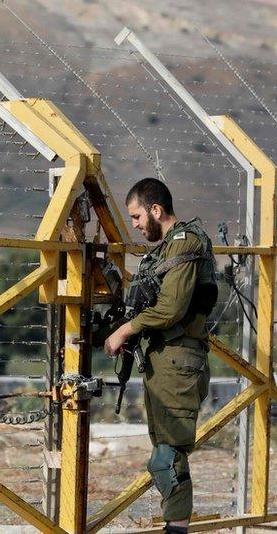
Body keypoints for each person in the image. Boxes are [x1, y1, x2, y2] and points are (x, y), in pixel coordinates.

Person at [104, 178, 217, 533]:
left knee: (169, 455)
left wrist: (126, 330)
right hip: (163, 359)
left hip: (178, 359)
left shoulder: (186, 242)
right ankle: (175, 524)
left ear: (156, 209)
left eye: (138, 216)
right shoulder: (163, 250)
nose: (135, 225)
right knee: (164, 452)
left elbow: (171, 308)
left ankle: (176, 528)